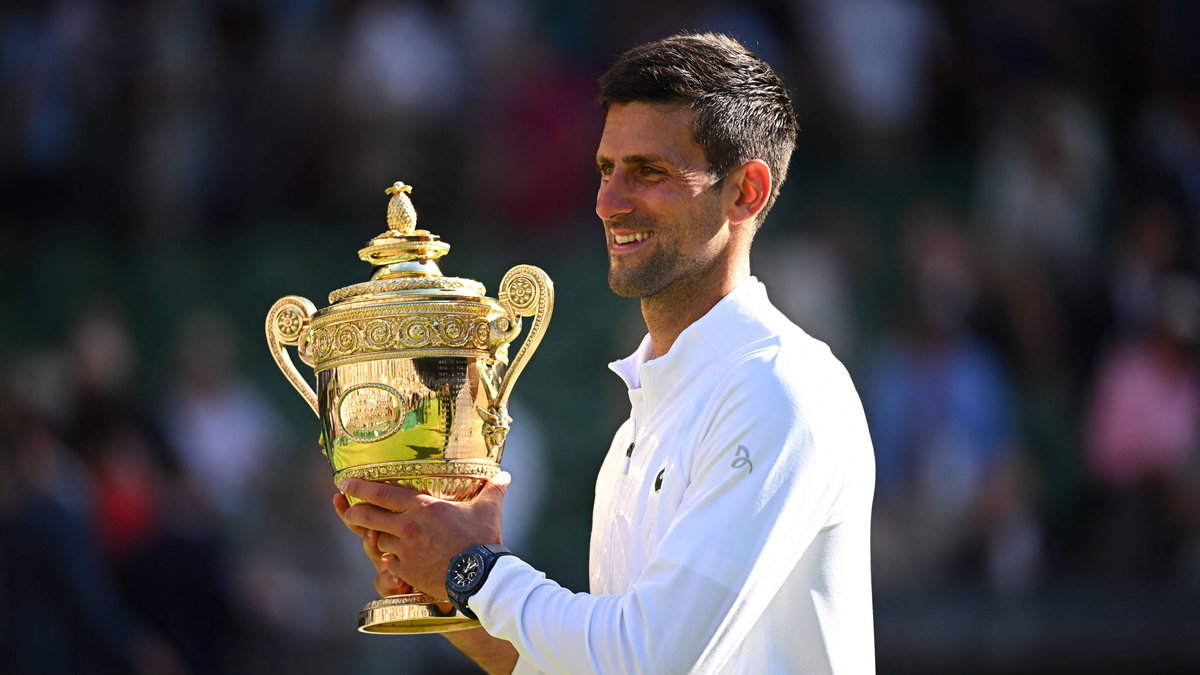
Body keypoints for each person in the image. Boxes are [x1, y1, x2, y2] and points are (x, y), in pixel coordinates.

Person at [335, 32, 876, 674]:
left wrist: (474, 569)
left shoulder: (779, 387)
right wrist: (446, 584)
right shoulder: (642, 424)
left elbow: (651, 660)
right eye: (606, 169)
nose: (608, 201)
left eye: (649, 172)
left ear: (745, 192)